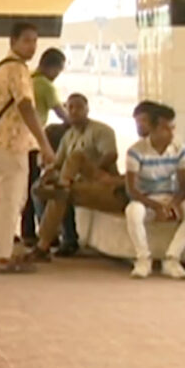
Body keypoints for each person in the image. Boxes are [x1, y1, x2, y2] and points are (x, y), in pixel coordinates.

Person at [0, 22, 56, 274]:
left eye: (35, 41)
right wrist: (44, 143)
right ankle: (3, 256)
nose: (32, 46)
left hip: (5, 140)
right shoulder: (16, 69)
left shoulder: (4, 67)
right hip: (11, 141)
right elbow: (25, 106)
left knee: (14, 198)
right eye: (26, 40)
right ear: (13, 41)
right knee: (11, 198)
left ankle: (4, 250)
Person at [29, 93, 123, 261]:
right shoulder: (69, 135)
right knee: (43, 188)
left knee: (69, 173)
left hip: (101, 183)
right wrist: (47, 174)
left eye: (79, 107)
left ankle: (61, 241)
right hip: (76, 182)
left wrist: (91, 172)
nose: (74, 111)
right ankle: (51, 238)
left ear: (87, 109)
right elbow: (58, 163)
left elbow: (111, 155)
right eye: (70, 107)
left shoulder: (101, 130)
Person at [124, 104, 185, 279]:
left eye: (172, 127)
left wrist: (172, 205)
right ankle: (143, 259)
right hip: (146, 200)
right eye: (165, 128)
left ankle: (172, 259)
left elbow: (184, 187)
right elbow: (132, 190)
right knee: (132, 211)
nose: (171, 133)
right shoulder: (135, 151)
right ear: (152, 128)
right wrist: (156, 207)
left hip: (170, 197)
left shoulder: (180, 150)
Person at [21, 48, 69, 247]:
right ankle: (35, 232)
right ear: (54, 68)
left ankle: (26, 231)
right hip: (33, 141)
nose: (57, 75)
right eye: (58, 71)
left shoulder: (28, 79)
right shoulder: (46, 86)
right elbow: (64, 115)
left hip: (18, 140)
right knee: (34, 186)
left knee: (23, 187)